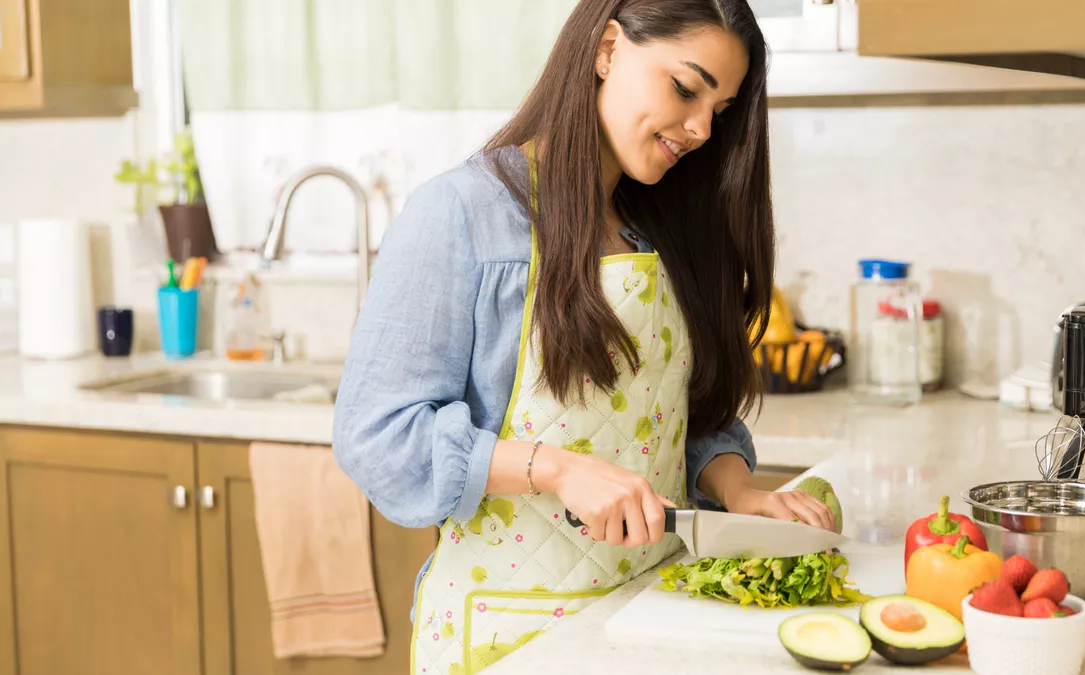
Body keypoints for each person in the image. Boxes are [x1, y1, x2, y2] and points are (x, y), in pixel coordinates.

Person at [333, 1, 835, 672]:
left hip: (649, 615)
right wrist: (558, 468)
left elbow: (684, 414)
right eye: (685, 88)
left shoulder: (665, 226)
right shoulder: (460, 214)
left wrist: (737, 488)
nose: (699, 128)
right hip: (504, 639)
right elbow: (378, 433)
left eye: (719, 109)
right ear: (606, 49)